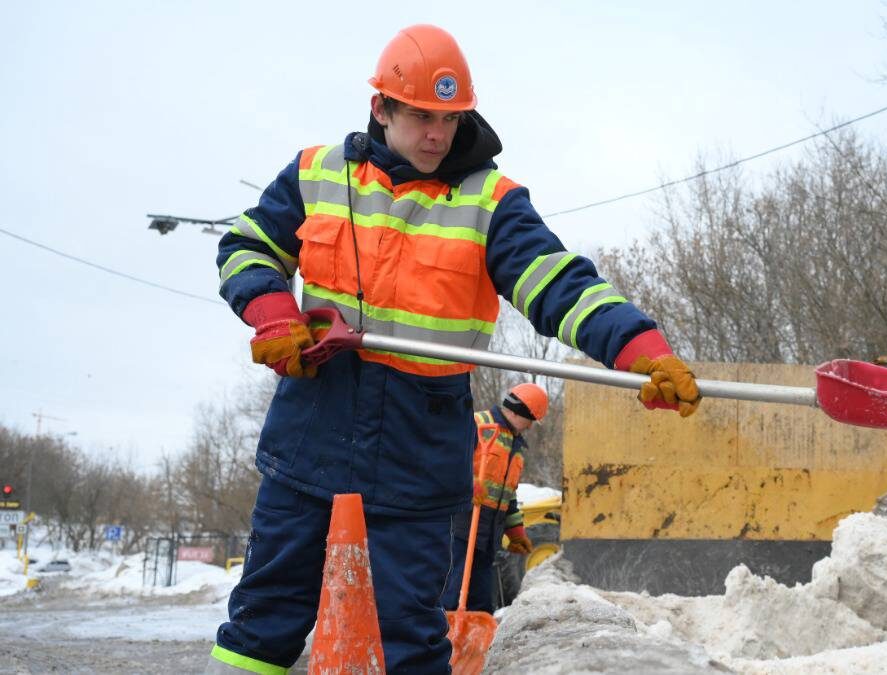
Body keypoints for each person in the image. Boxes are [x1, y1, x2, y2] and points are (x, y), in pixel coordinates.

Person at [208, 24, 701, 674]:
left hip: (418, 454)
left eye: (449, 117)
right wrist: (273, 316)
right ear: (381, 108)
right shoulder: (314, 174)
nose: (437, 133)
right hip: (312, 434)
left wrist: (640, 348)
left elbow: (558, 283)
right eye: (420, 116)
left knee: (410, 640)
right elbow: (245, 246)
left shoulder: (491, 204)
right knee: (263, 618)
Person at [441, 383, 546, 614]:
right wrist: (467, 485)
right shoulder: (477, 425)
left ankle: (478, 642)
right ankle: (445, 640)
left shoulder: (515, 445)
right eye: (531, 420)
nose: (530, 427)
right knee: (454, 590)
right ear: (519, 412)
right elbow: (442, 462)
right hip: (461, 526)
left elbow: (507, 496)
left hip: (489, 535)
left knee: (481, 599)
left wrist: (516, 533)